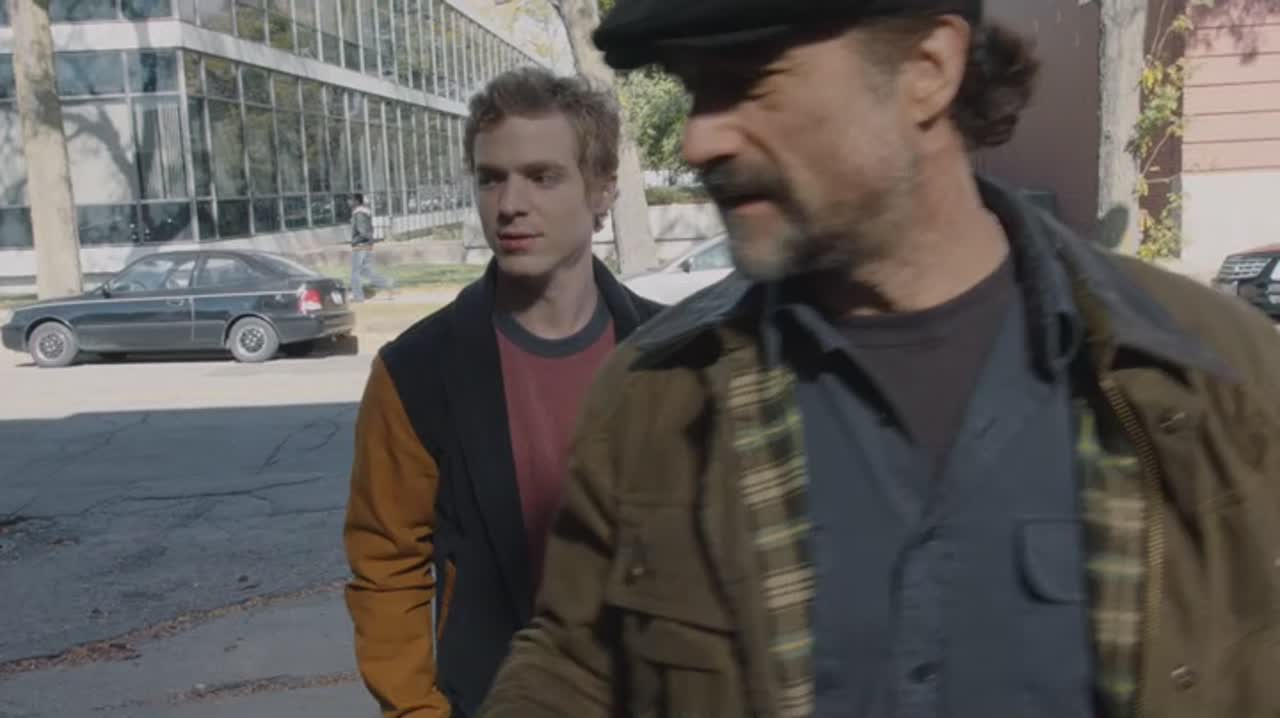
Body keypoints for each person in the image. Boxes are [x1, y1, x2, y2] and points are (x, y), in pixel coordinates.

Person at [478, 1, 1280, 717]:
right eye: (696, 91)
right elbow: (577, 666)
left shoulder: (1218, 379)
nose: (698, 139)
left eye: (750, 82)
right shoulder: (656, 397)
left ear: (927, 69)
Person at [342, 67, 664, 718]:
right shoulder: (416, 372)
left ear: (602, 189)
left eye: (542, 177)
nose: (510, 203)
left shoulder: (672, 354)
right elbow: (385, 565)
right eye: (492, 178)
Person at [350, 193, 396, 302]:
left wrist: (354, 241)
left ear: (357, 201)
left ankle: (358, 297)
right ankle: (387, 283)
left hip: (360, 246)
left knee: (355, 272)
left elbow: (362, 232)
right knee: (366, 271)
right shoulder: (366, 213)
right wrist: (369, 242)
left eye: (352, 200)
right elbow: (370, 229)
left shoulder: (358, 214)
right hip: (367, 245)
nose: (350, 202)